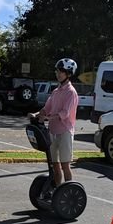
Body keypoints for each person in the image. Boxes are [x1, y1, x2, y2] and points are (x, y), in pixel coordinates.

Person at [28, 58, 79, 186]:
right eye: (57, 71)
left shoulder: (71, 93)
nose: (58, 74)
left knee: (65, 165)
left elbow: (65, 113)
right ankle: (56, 191)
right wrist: (36, 114)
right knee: (55, 165)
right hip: (52, 132)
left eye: (61, 71)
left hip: (65, 132)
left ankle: (69, 190)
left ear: (68, 74)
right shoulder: (56, 91)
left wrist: (47, 118)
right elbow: (46, 108)